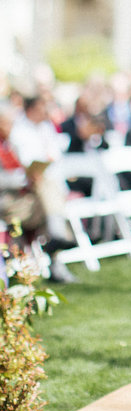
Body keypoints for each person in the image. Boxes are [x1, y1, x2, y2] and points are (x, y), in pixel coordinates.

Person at [1, 102, 77, 283]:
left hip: (22, 200)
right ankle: (57, 241)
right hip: (7, 202)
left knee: (47, 189)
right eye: (7, 123)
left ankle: (56, 236)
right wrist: (23, 178)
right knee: (50, 201)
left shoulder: (9, 145)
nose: (11, 128)